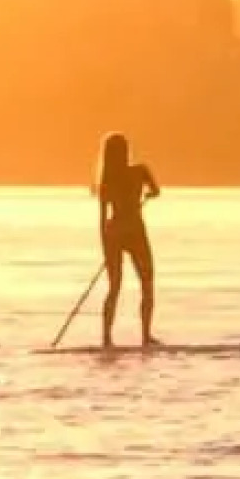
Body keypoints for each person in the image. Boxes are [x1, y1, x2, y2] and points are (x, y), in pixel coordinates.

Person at [94, 131, 160, 348]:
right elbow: (156, 190)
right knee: (142, 284)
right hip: (130, 232)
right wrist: (147, 195)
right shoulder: (136, 173)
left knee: (122, 286)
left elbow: (102, 220)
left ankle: (113, 338)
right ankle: (140, 337)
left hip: (117, 233)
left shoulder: (114, 179)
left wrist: (106, 246)